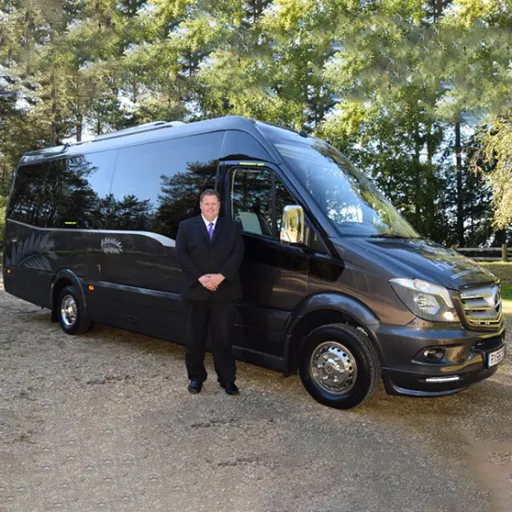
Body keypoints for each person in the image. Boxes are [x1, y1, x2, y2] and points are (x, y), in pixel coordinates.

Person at [176, 189, 244, 395]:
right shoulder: (186, 227)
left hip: (225, 292)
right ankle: (196, 378)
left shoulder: (232, 227)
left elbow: (238, 253)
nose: (210, 207)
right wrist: (201, 278)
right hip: (196, 291)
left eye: (214, 204)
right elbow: (181, 255)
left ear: (219, 205)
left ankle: (227, 380)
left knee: (223, 338)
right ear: (200, 205)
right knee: (195, 338)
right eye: (207, 204)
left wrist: (220, 276)